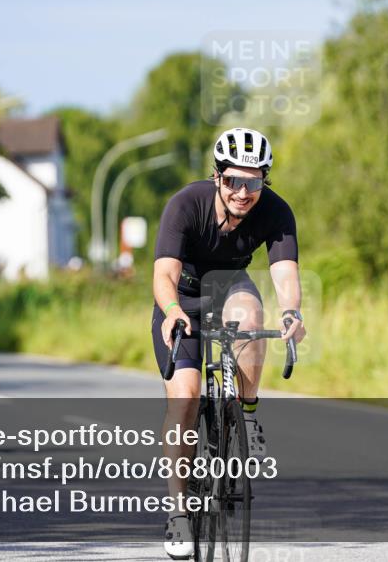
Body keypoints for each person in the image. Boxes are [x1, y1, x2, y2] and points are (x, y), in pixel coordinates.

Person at [152, 127, 307, 558]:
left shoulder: (276, 212)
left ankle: (249, 413)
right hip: (181, 299)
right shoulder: (186, 204)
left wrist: (292, 312)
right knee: (184, 399)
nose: (243, 192)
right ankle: (180, 514)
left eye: (254, 182)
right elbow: (162, 273)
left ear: (264, 181)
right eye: (234, 180)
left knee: (253, 317)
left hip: (230, 286)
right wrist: (172, 312)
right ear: (217, 176)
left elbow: (285, 274)